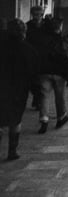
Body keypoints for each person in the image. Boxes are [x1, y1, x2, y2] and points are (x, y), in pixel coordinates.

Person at [0, 19, 38, 160]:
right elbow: (33, 73)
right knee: (15, 120)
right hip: (18, 90)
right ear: (24, 32)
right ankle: (12, 150)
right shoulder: (28, 50)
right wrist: (36, 93)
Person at [34, 17, 68, 134]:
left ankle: (44, 119)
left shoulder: (40, 39)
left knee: (44, 96)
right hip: (59, 72)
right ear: (58, 27)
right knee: (59, 96)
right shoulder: (61, 39)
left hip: (44, 71)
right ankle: (61, 116)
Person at [25, 6, 45, 111]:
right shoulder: (28, 26)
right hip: (32, 56)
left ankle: (38, 99)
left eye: (39, 14)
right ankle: (37, 97)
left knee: (41, 80)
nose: (37, 17)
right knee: (33, 80)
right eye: (35, 15)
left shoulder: (46, 26)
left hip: (43, 57)